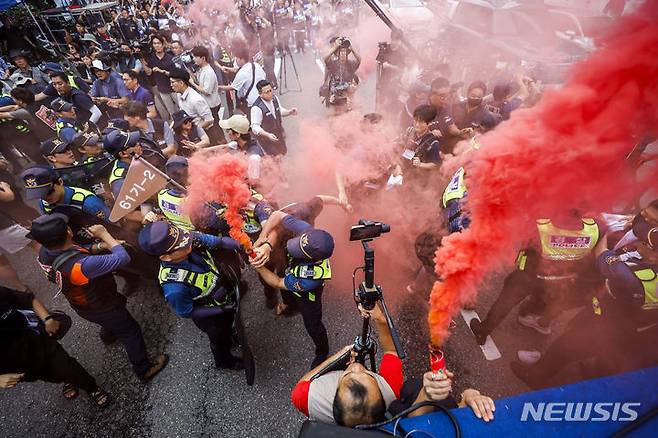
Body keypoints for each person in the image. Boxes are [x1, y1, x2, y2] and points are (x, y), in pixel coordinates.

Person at [511, 206, 658, 388]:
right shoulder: (650, 265)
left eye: (645, 243)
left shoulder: (634, 277)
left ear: (654, 257)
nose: (641, 242)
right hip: (615, 316)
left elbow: (603, 256)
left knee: (569, 345)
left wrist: (601, 231)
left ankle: (537, 376)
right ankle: (548, 363)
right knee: (572, 337)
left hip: (607, 322)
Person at [28, 214, 168, 381]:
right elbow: (123, 258)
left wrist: (100, 246)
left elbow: (77, 250)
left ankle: (109, 333)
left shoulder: (45, 253)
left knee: (112, 317)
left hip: (82, 305)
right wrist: (105, 235)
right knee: (130, 331)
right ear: (69, 231)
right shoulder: (82, 265)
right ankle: (143, 369)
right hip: (103, 304)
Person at [470, 212, 605, 344]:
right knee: (541, 301)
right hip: (557, 282)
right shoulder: (596, 230)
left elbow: (520, 235)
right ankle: (526, 313)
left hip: (527, 276)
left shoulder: (542, 222)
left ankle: (483, 331)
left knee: (504, 303)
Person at [138, 220, 245, 370]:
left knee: (230, 326)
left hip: (223, 295)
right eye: (180, 244)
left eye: (184, 236)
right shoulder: (174, 287)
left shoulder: (186, 239)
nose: (188, 240)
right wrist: (221, 310)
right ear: (165, 257)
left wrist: (241, 245)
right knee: (219, 338)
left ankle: (231, 334)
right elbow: (186, 311)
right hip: (211, 317)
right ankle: (225, 362)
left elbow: (218, 241)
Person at [290, 303, 402, 425]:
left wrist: (340, 355)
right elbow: (391, 351)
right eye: (368, 374)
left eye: (347, 374)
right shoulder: (391, 391)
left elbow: (302, 384)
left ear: (333, 396)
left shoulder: (306, 397)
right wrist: (380, 319)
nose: (357, 366)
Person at [0, 285, 111, 407]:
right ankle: (67, 379)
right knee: (48, 375)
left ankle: (92, 388)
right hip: (13, 366)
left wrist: (48, 319)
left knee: (66, 366)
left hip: (34, 341)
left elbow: (26, 299)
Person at [251, 209, 334, 368]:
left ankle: (322, 351)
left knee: (313, 324)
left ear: (313, 259)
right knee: (288, 296)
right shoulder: (307, 231)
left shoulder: (310, 277)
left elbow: (277, 282)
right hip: (291, 274)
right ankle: (289, 306)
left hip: (307, 296)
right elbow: (276, 215)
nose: (290, 247)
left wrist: (259, 268)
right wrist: (264, 240)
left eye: (299, 251)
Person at [0, 179, 37, 292]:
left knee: (1, 262)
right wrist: (5, 186)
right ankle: (61, 266)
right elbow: (8, 197)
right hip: (2, 226)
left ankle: (22, 289)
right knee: (34, 242)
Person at [169, 68, 219, 143]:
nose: (171, 85)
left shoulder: (196, 99)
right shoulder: (179, 95)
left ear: (181, 83)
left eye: (173, 82)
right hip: (190, 134)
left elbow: (209, 120)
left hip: (205, 135)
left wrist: (195, 131)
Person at [250, 79, 298, 156]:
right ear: (260, 94)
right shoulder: (257, 108)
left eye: (270, 90)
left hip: (278, 133)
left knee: (282, 152)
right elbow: (255, 127)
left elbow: (279, 111)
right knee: (275, 158)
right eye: (267, 92)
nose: (270, 94)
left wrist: (289, 112)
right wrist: (267, 135)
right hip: (266, 139)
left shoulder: (275, 99)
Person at [218, 47, 266, 112]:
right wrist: (227, 68)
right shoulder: (255, 65)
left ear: (241, 59)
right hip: (263, 97)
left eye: (236, 58)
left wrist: (218, 87)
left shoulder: (242, 73)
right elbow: (237, 70)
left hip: (252, 102)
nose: (236, 61)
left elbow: (232, 87)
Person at [144, 34, 178, 120]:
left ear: (163, 44)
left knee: (182, 107)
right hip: (162, 89)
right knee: (172, 112)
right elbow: (149, 73)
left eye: (158, 43)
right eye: (154, 43)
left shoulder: (169, 57)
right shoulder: (151, 58)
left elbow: (174, 73)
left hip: (174, 88)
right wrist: (141, 60)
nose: (157, 45)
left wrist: (161, 71)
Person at [190, 46, 222, 133]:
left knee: (215, 127)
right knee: (214, 126)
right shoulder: (201, 69)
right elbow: (200, 83)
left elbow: (207, 91)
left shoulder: (209, 72)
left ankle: (221, 141)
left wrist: (192, 83)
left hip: (212, 104)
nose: (194, 59)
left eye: (195, 57)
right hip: (208, 103)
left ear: (203, 58)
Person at [103, 129, 143, 199]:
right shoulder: (120, 183)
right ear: (123, 154)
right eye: (133, 144)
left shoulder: (134, 159)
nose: (138, 144)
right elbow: (130, 210)